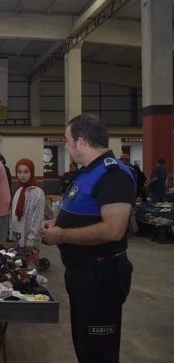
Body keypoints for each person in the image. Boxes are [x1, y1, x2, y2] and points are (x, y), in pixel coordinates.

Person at [40, 113, 135, 363]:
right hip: (83, 273)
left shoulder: (112, 174)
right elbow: (84, 210)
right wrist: (57, 222)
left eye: (67, 140)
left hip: (101, 274)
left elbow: (114, 229)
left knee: (98, 350)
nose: (66, 146)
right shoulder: (87, 173)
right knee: (85, 345)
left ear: (81, 142)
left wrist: (63, 234)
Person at [10, 158, 45, 268]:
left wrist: (31, 239)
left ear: (32, 172)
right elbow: (13, 212)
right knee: (19, 265)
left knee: (30, 268)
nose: (22, 175)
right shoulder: (19, 189)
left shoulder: (37, 192)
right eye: (19, 172)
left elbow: (38, 218)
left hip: (29, 236)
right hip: (17, 234)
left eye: (26, 172)